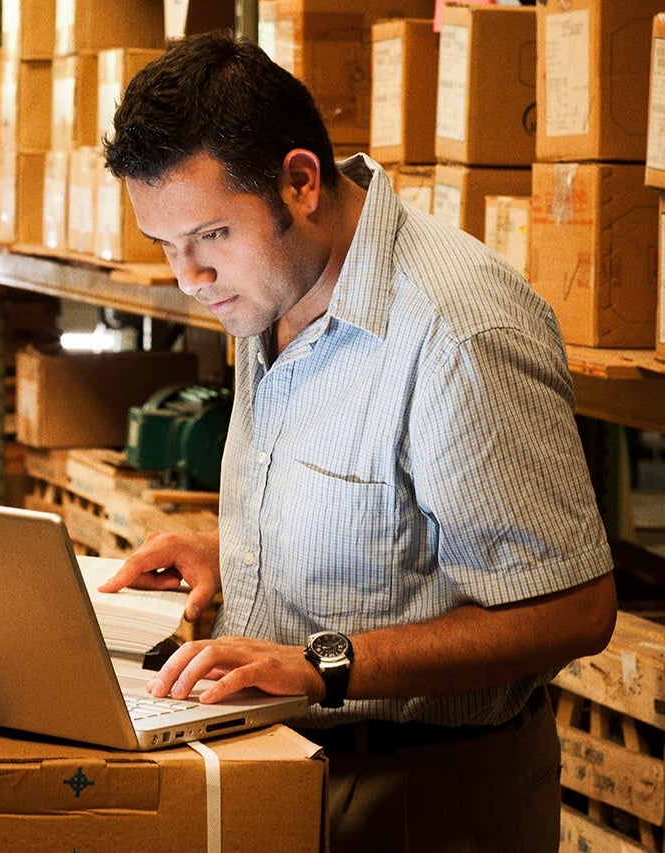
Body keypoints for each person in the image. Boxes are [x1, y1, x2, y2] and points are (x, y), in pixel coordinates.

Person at [99, 30, 617, 852]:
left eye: (209, 237)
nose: (188, 278)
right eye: (166, 246)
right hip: (288, 762)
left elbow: (573, 608)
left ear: (300, 182)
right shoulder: (270, 283)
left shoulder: (457, 331)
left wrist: (322, 663)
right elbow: (385, 513)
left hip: (426, 792)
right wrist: (235, 551)